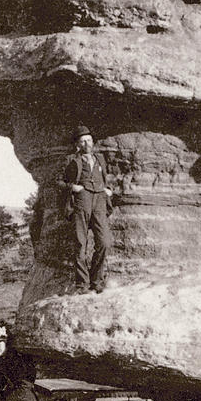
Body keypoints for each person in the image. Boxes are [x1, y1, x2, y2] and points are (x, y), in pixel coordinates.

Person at [60, 124, 114, 290]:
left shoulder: (100, 159)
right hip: (81, 201)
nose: (87, 144)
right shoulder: (71, 160)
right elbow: (58, 181)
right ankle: (82, 283)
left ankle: (96, 280)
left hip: (99, 200)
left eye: (89, 140)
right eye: (83, 141)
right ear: (78, 144)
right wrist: (72, 187)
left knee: (105, 242)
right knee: (80, 243)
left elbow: (107, 177)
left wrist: (108, 190)